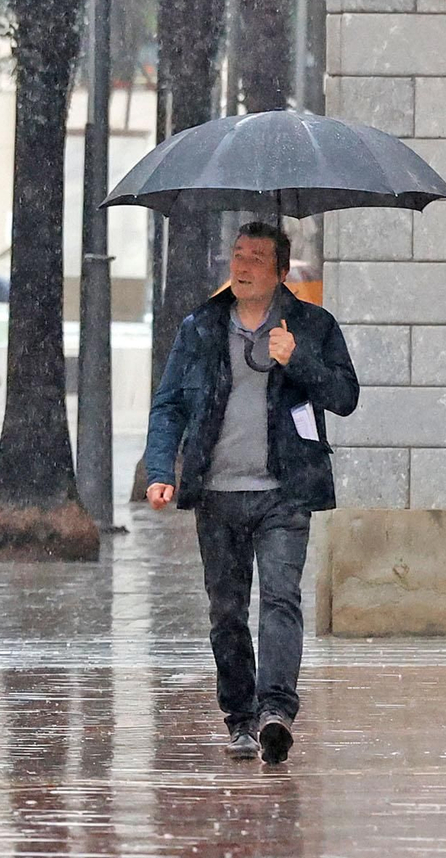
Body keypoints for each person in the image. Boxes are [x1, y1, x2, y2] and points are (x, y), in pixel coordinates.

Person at [144, 221, 359, 765]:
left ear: (281, 271)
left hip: (285, 491)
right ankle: (240, 716)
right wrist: (159, 468)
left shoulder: (311, 325)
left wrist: (299, 360)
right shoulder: (201, 326)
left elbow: (345, 396)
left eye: (256, 259)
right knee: (227, 611)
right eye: (237, 256)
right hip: (216, 493)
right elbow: (169, 403)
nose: (241, 267)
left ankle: (276, 714)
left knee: (282, 600)